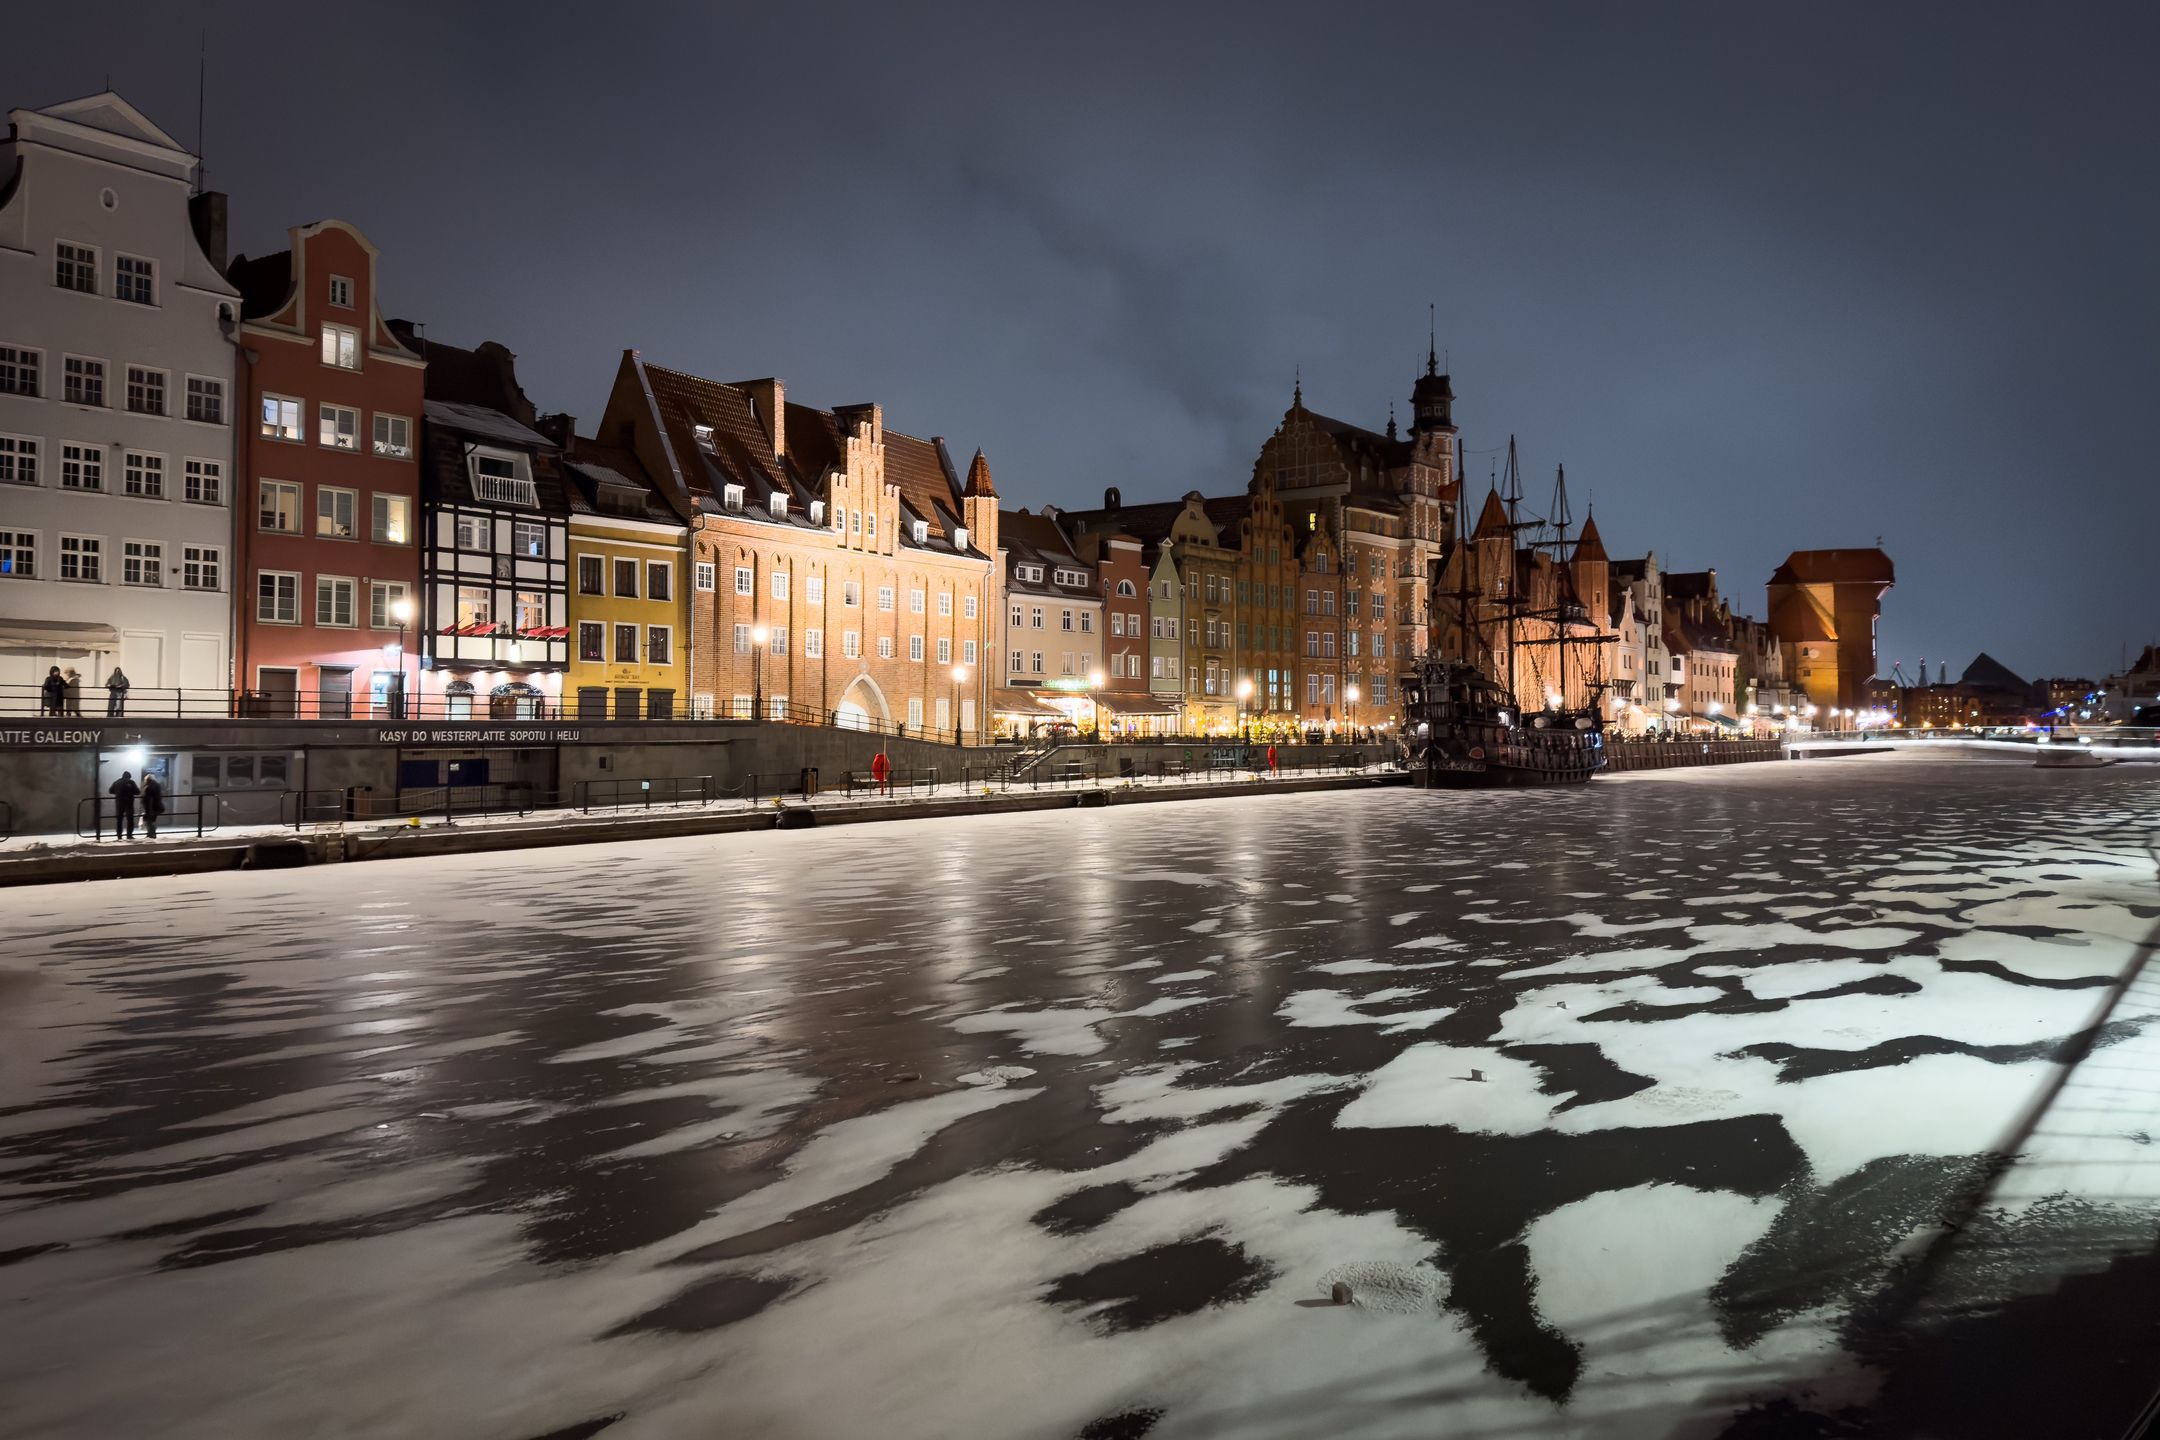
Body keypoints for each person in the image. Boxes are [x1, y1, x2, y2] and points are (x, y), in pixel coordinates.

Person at [108, 770, 140, 841]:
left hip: (119, 803)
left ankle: (119, 836)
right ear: (129, 777)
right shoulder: (131, 782)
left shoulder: (116, 782)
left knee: (119, 820)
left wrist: (117, 793)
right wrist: (130, 792)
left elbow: (110, 791)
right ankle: (129, 835)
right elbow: (138, 792)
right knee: (130, 819)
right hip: (129, 803)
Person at [140, 771, 165, 839]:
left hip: (150, 807)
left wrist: (148, 810)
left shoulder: (148, 787)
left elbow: (149, 799)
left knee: (149, 821)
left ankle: (151, 834)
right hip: (157, 806)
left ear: (147, 780)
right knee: (152, 820)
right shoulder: (157, 785)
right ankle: (152, 834)